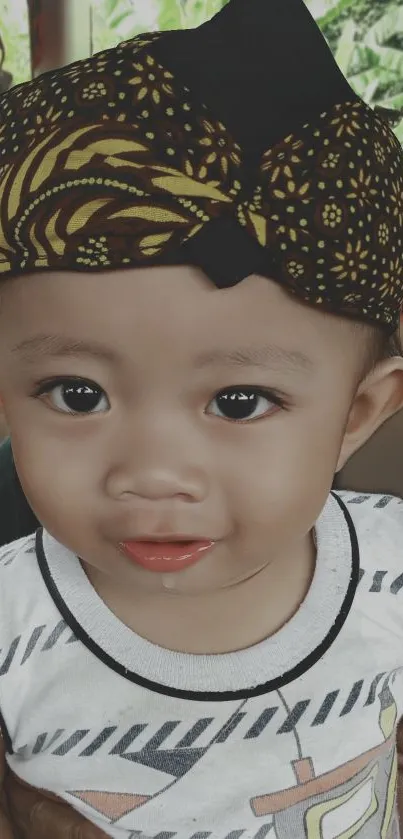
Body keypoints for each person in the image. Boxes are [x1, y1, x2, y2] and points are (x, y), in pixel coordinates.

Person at [0, 0, 403, 836]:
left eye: (239, 401)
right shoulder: (11, 621)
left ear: (358, 413)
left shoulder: (392, 569)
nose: (151, 472)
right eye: (77, 394)